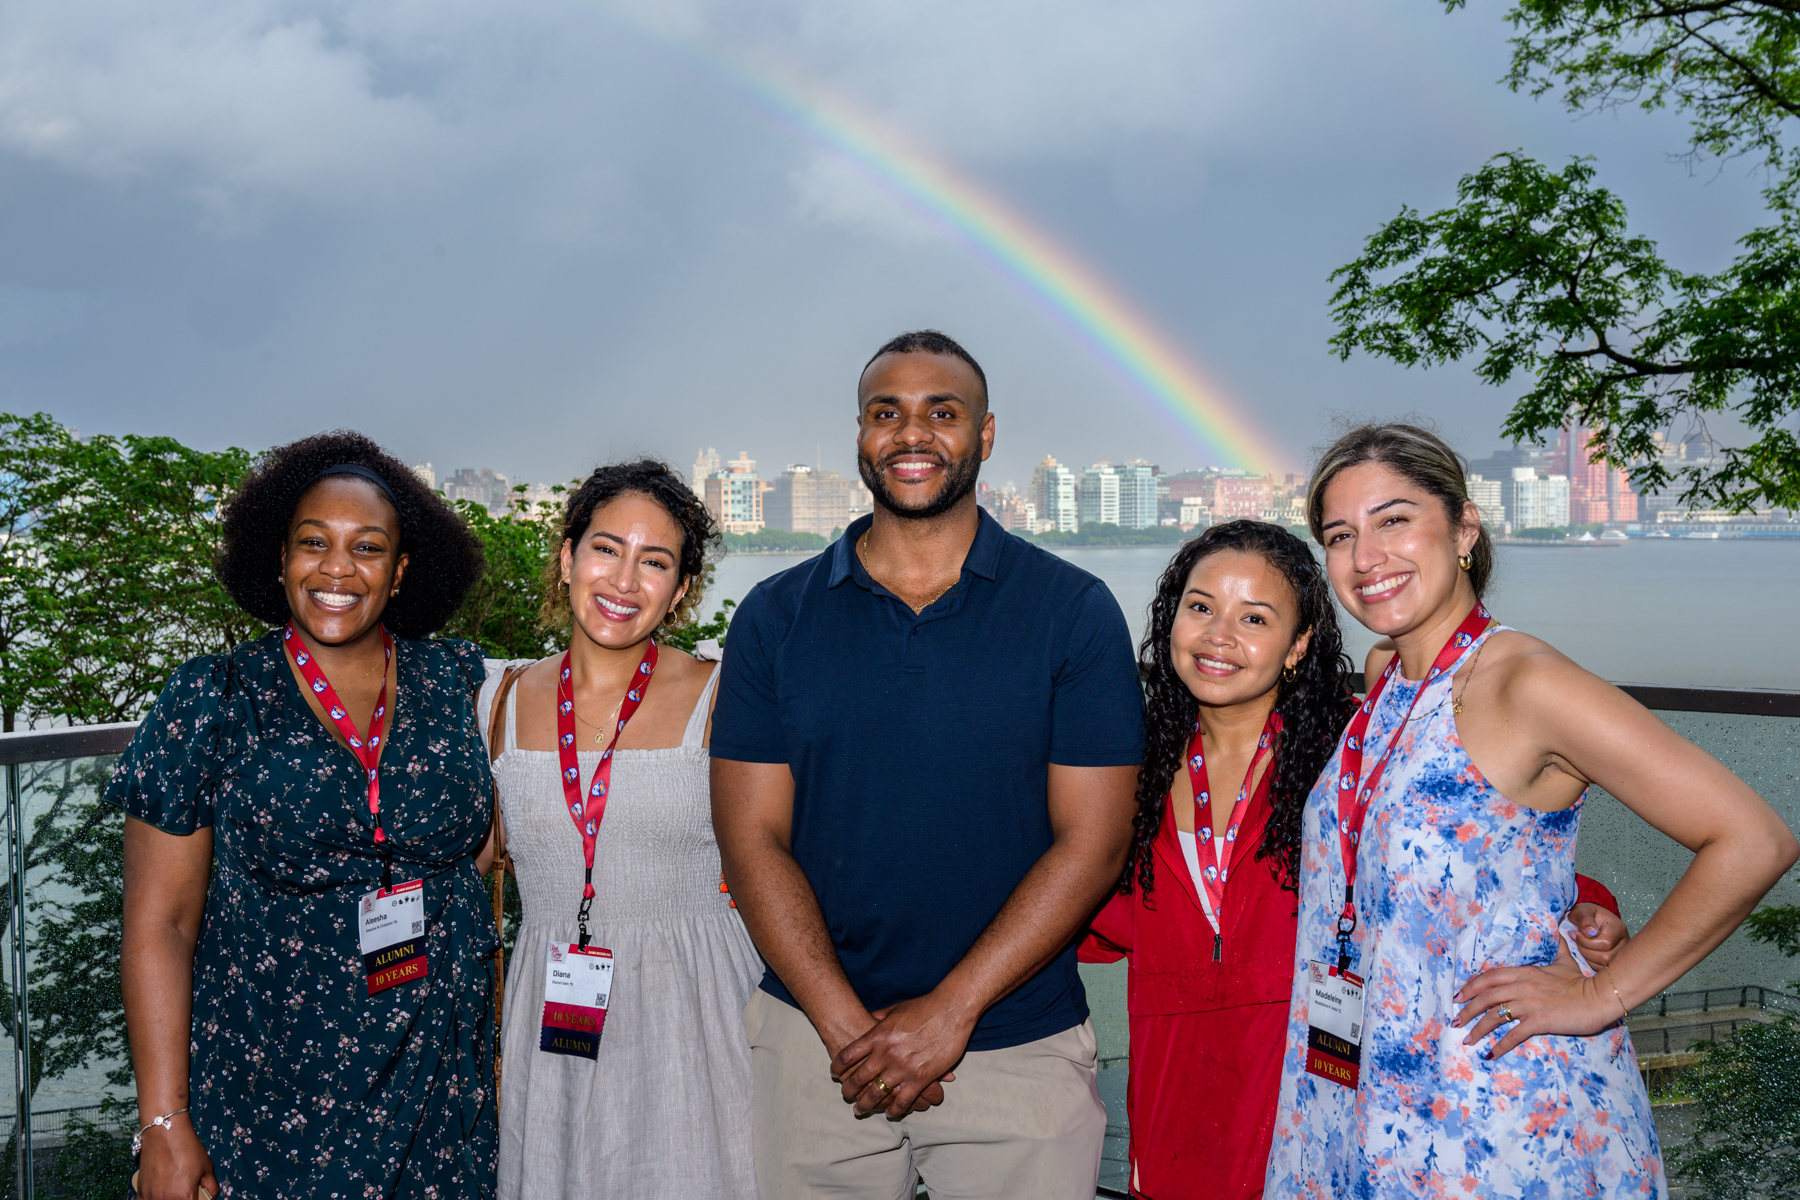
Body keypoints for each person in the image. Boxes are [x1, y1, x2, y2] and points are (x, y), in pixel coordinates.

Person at [1265, 423, 1800, 1199]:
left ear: (1463, 529)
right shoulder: (1388, 674)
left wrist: (1600, 996)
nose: (1366, 557)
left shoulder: (1528, 683)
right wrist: (1570, 906)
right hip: (1357, 1087)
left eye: (1394, 520)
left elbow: (1752, 839)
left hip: (1495, 1112)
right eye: (1341, 534)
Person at [710, 330, 1145, 1200]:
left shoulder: (1073, 611)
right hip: (816, 1049)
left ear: (984, 437)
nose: (912, 435)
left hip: (1016, 1046)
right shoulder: (774, 615)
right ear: (861, 435)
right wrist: (843, 1026)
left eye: (942, 413)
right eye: (887, 413)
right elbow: (751, 838)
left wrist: (950, 1012)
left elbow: (1093, 843)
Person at [1080, 521, 1629, 1200]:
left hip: (1319, 1102)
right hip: (1176, 1117)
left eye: (1255, 617)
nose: (1219, 635)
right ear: (1170, 620)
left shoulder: (1358, 753)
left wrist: (1585, 901)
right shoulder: (1128, 770)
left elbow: (1466, 848)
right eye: (1200, 607)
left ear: (1298, 644)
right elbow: (1094, 903)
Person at [113, 433, 497, 1200]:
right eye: (313, 543)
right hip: (274, 1101)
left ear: (400, 572)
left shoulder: (458, 681)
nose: (336, 569)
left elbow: (481, 850)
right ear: (279, 557)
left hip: (441, 1093)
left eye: (368, 547)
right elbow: (160, 926)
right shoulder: (214, 700)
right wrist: (163, 1123)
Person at [479, 460, 760, 1199]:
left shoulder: (727, 694)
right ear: (568, 557)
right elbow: (463, 865)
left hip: (699, 1014)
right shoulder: (494, 703)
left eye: (655, 561)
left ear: (681, 590)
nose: (624, 581)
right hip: (557, 1020)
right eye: (607, 549)